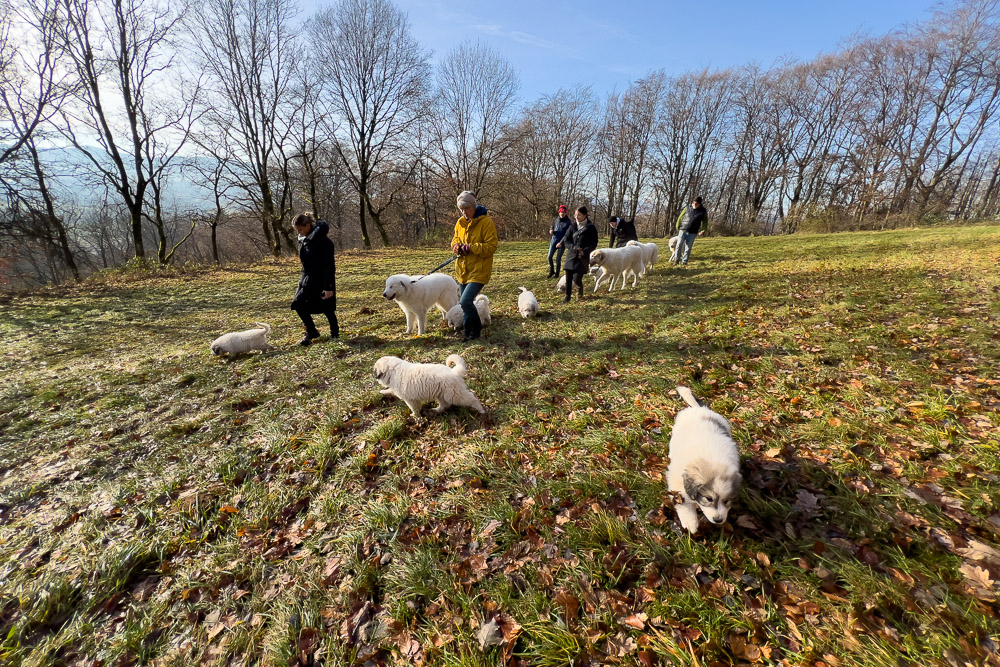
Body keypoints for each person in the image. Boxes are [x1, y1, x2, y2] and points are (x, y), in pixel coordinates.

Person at [451, 191, 498, 341]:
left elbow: (491, 246)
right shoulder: (460, 223)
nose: (464, 212)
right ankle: (468, 332)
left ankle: (476, 329)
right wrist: (456, 247)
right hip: (463, 270)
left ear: (473, 206)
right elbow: (455, 240)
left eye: (466, 208)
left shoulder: (486, 222)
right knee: (466, 305)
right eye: (461, 209)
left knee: (465, 301)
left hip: (479, 269)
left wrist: (471, 247)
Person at [290, 212, 338, 346]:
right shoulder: (303, 240)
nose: (299, 232)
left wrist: (328, 286)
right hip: (307, 278)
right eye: (297, 230)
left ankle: (335, 334)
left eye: (300, 229)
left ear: (308, 225)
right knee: (298, 304)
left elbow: (329, 265)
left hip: (322, 279)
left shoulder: (324, 241)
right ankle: (311, 331)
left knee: (327, 307)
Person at [562, 205, 598, 303]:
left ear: (585, 215)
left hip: (582, 256)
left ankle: (579, 289)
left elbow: (594, 243)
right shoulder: (572, 225)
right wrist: (574, 247)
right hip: (571, 254)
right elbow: (566, 240)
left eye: (579, 215)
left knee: (577, 277)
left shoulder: (591, 228)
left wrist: (585, 251)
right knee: (568, 277)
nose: (576, 217)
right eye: (575, 215)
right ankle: (567, 296)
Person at [673, 196, 707, 265]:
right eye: (693, 202)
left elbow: (705, 222)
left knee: (688, 248)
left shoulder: (703, 211)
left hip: (693, 232)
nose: (694, 204)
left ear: (699, 204)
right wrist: (677, 225)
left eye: (696, 203)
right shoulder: (687, 208)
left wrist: (703, 231)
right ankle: (676, 260)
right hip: (683, 229)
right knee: (679, 245)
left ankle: (684, 262)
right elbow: (680, 217)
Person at [547, 204, 574, 277]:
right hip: (553, 241)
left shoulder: (568, 222)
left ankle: (557, 273)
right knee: (549, 257)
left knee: (558, 259)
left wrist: (561, 242)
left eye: (564, 212)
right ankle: (551, 270)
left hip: (562, 243)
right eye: (561, 212)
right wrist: (551, 230)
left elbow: (567, 235)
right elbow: (552, 226)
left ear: (566, 213)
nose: (562, 214)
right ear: (559, 212)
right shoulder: (556, 220)